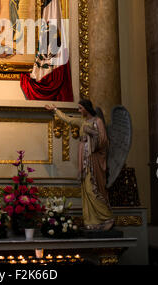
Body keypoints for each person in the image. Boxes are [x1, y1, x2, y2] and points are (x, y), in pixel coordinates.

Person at [45, 99, 115, 231]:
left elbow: (104, 141)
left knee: (92, 190)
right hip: (84, 160)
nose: (79, 111)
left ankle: (106, 217)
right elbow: (68, 120)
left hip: (95, 161)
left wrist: (92, 133)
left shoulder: (98, 121)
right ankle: (93, 221)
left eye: (80, 108)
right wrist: (55, 110)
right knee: (86, 190)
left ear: (87, 108)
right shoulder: (82, 121)